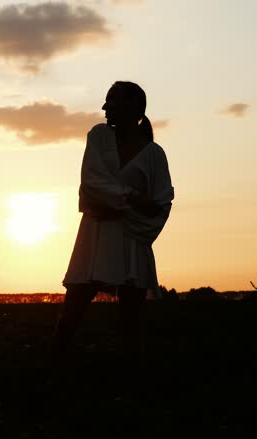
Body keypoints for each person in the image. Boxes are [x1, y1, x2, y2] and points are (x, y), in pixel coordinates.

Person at [52, 81, 174, 359]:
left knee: (131, 324)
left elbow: (161, 203)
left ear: (133, 106)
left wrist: (119, 210)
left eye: (112, 100)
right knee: (71, 315)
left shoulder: (155, 154)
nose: (104, 106)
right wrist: (132, 199)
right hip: (93, 240)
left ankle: (129, 376)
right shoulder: (98, 136)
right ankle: (54, 370)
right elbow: (91, 183)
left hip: (133, 244)